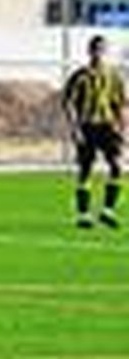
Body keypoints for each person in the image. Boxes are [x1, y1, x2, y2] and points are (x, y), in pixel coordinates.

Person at [61, 33, 124, 229]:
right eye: (96, 49)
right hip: (87, 126)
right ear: (90, 51)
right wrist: (75, 129)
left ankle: (107, 211)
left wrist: (122, 127)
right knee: (86, 170)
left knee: (116, 167)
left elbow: (120, 103)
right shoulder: (80, 76)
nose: (99, 54)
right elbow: (68, 103)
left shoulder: (113, 76)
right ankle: (84, 214)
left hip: (107, 125)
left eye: (102, 50)